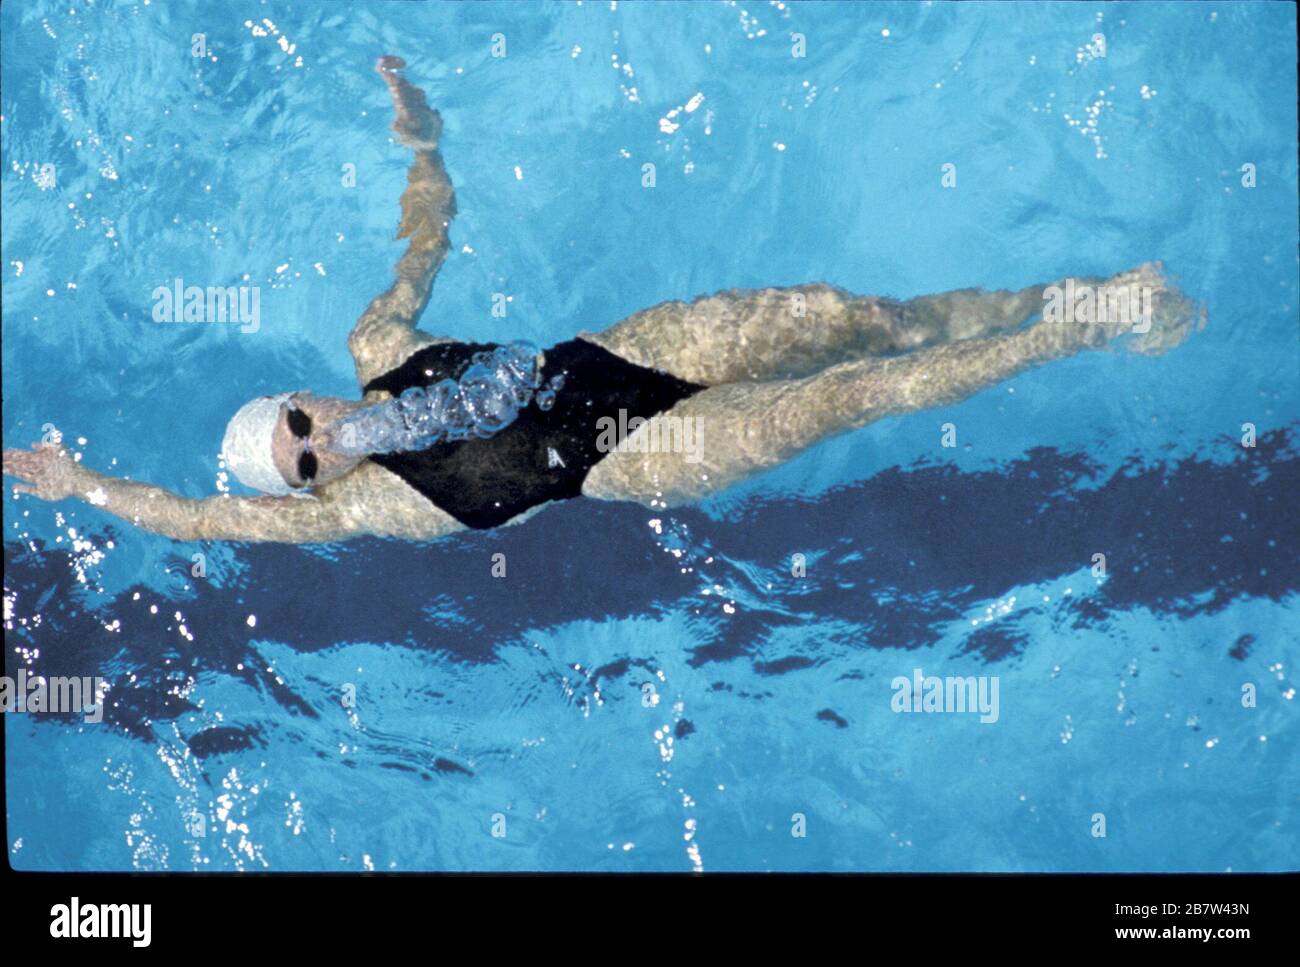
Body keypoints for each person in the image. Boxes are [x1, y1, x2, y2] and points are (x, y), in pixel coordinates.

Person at [2, 57, 1202, 544]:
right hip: (632, 452)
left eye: (300, 424)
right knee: (859, 392)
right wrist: (85, 486)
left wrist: (423, 141)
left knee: (861, 317)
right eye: (302, 461)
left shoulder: (378, 343)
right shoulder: (355, 514)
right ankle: (1078, 325)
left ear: (310, 394)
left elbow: (424, 236)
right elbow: (204, 520)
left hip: (618, 352)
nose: (318, 446)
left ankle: (1036, 295)